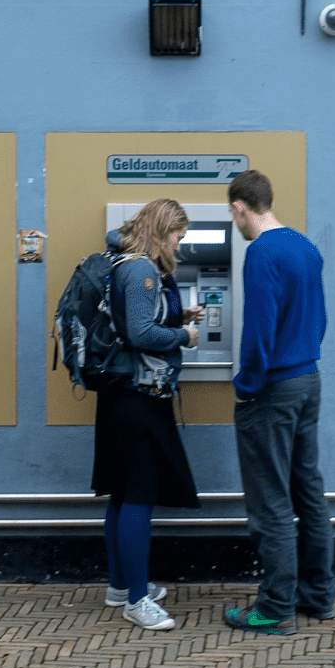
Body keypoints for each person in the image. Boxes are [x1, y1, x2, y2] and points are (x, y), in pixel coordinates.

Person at [222, 170, 334, 637]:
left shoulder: (261, 253)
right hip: (309, 378)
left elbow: (259, 330)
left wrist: (246, 385)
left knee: (269, 499)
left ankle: (274, 607)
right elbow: (319, 318)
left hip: (274, 387)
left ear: (240, 208)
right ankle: (318, 596)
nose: (235, 223)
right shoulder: (306, 247)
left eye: (234, 215)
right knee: (307, 488)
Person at [92, 198, 204, 631]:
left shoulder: (126, 263)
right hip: (138, 396)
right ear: (162, 230)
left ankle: (121, 584)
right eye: (179, 235)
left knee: (123, 493)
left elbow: (135, 322)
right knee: (137, 495)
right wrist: (186, 334)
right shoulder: (139, 268)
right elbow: (140, 333)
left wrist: (178, 312)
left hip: (124, 394)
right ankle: (138, 601)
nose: (181, 245)